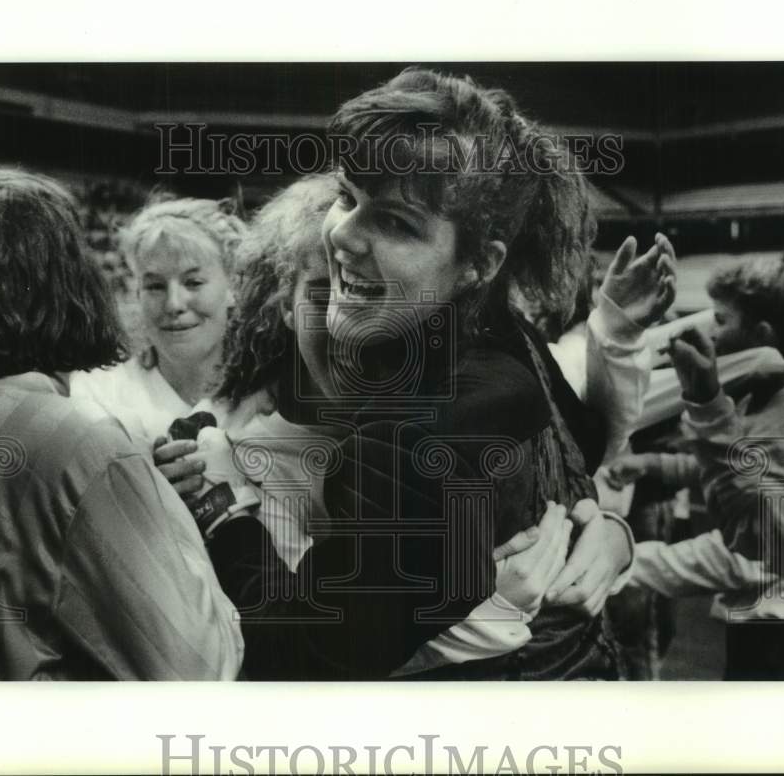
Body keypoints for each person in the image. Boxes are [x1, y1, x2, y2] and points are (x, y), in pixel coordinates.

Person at [197, 68, 675, 680]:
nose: (344, 233)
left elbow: (304, 657)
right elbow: (571, 456)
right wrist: (605, 526)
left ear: (478, 264)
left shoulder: (421, 427)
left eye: (395, 223)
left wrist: (223, 513)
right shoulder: (499, 338)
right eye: (348, 196)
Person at [0, 170, 243, 680]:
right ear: (69, 277)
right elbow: (200, 665)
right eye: (152, 285)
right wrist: (162, 507)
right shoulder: (83, 438)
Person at [612, 259, 784, 679]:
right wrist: (652, 464)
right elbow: (734, 472)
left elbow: (756, 530)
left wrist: (707, 399)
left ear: (762, 337)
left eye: (721, 320)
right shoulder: (767, 400)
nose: (711, 331)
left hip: (779, 627)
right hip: (766, 616)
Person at [69, 197, 247, 450]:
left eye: (193, 282)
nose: (173, 304)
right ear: (137, 292)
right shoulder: (97, 395)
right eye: (155, 286)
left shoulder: (266, 397)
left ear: (233, 286)